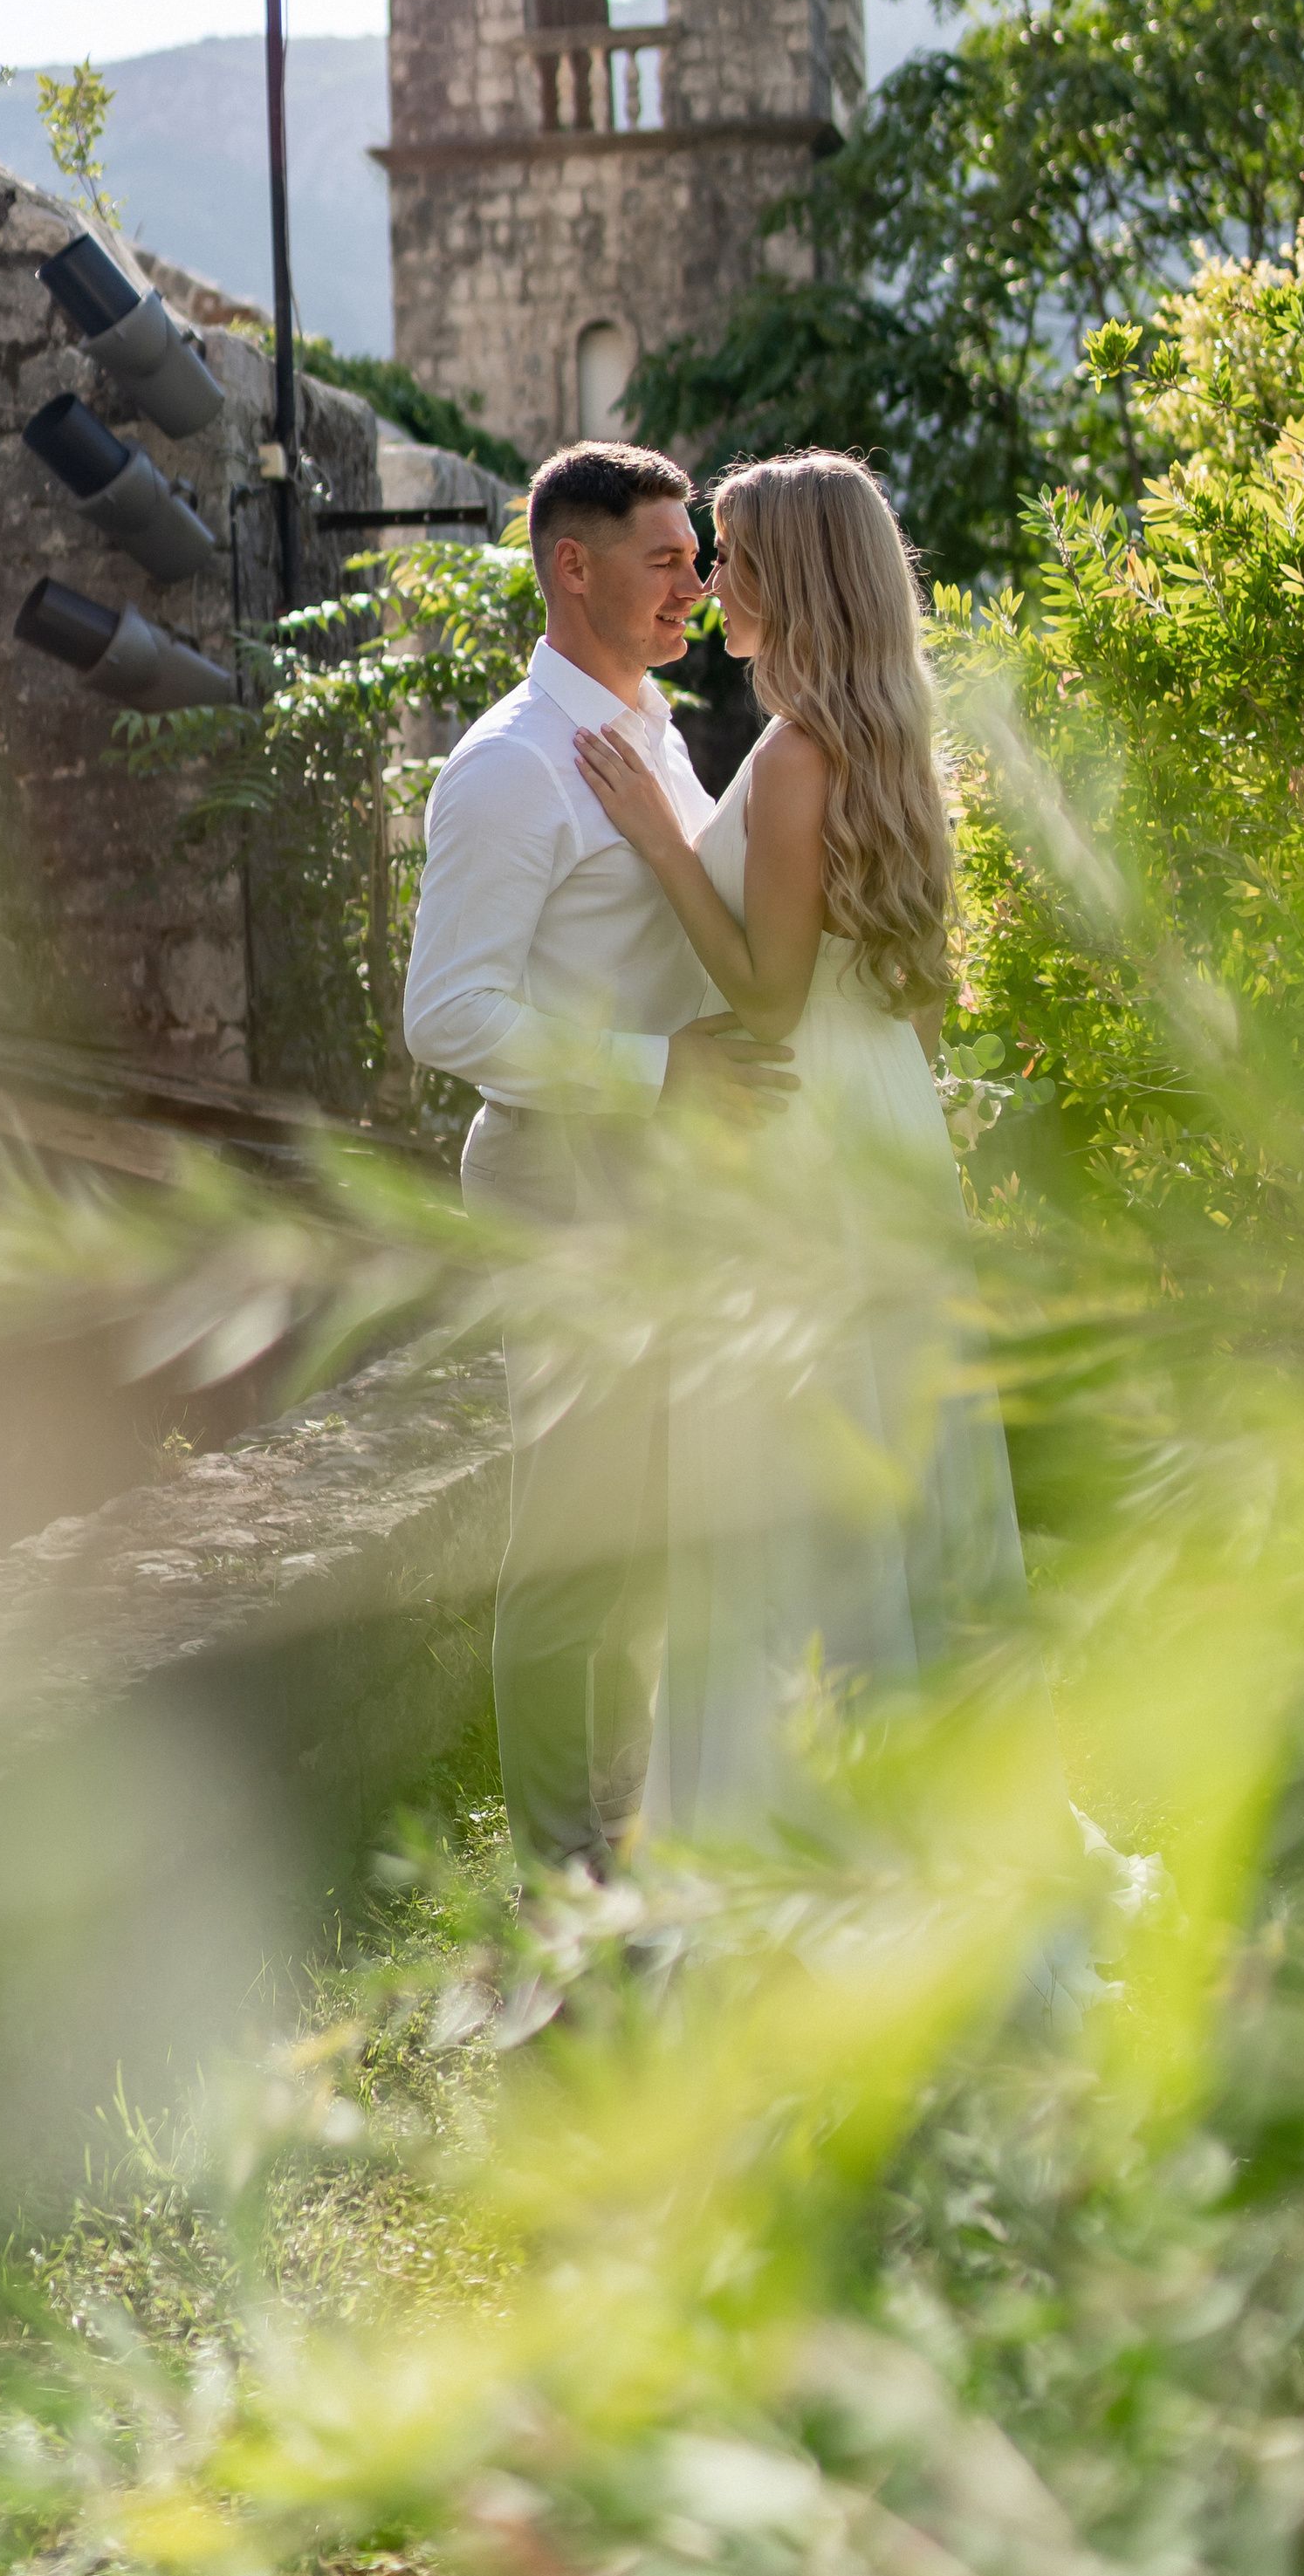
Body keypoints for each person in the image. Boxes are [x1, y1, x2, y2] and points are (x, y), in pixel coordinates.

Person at [572, 446, 1032, 1840]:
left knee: (785, 1468)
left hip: (798, 1127)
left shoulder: (788, 758)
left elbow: (768, 998)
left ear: (794, 580)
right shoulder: (886, 742)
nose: (711, 583)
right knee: (889, 1454)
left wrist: (662, 839)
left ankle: (794, 1822)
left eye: (733, 558)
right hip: (880, 1107)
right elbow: (906, 997)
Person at [401, 442, 795, 1874]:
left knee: (646, 1543)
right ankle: (561, 1883)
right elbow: (446, 1015)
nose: (698, 584)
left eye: (699, 559)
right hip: (566, 1183)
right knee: (575, 1547)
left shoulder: (651, 729)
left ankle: (622, 1837)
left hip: (667, 1187)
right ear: (575, 567)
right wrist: (659, 1073)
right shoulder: (510, 769)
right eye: (667, 559)